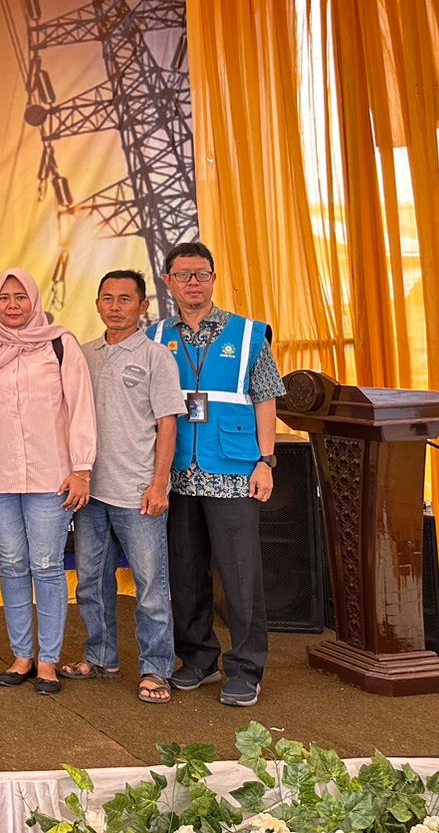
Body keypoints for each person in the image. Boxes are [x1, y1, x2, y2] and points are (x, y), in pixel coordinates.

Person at [149, 240, 284, 708]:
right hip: (177, 473)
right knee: (185, 571)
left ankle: (246, 668)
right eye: (183, 275)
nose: (192, 282)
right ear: (168, 281)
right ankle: (199, 659)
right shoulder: (153, 337)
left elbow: (266, 398)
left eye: (201, 274)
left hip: (233, 470)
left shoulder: (248, 335)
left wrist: (265, 461)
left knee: (240, 574)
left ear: (213, 277)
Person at [0, 267, 96, 697]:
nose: (13, 306)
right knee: (11, 564)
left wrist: (82, 468)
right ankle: (21, 654)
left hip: (51, 476)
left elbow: (80, 408)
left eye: (21, 297)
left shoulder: (60, 345)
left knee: (46, 565)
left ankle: (47, 660)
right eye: (4, 298)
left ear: (35, 300)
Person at [67, 269, 186, 704]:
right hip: (90, 493)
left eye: (124, 299)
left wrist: (159, 484)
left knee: (150, 587)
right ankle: (100, 657)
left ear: (142, 306)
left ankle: (156, 670)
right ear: (97, 303)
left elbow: (168, 426)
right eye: (107, 298)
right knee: (90, 583)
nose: (115, 306)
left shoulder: (157, 357)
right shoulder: (83, 354)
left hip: (139, 493)